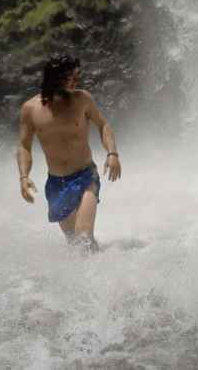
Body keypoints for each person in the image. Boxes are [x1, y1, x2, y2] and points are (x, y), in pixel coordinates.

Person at [16, 54, 121, 252]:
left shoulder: (82, 99)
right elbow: (24, 146)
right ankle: (100, 263)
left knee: (83, 237)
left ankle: (103, 269)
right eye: (69, 78)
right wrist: (24, 176)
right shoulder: (30, 109)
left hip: (85, 176)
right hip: (56, 184)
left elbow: (103, 125)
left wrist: (112, 154)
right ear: (54, 78)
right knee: (75, 244)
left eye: (77, 77)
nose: (75, 82)